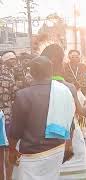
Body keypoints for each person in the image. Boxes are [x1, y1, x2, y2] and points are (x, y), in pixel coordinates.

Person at [9, 56, 76, 180]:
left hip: (31, 154)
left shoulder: (23, 95)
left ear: (31, 73)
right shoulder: (64, 91)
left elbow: (15, 130)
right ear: (51, 71)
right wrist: (69, 145)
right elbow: (70, 121)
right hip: (56, 150)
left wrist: (12, 150)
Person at [41, 44, 86, 179]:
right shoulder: (69, 86)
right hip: (70, 137)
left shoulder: (35, 86)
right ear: (59, 61)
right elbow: (81, 113)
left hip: (44, 136)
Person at [64, 50, 86, 140]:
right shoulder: (65, 66)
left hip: (80, 91)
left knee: (83, 111)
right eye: (72, 56)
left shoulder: (83, 66)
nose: (75, 58)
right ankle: (73, 131)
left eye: (77, 56)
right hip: (69, 92)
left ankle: (84, 130)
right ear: (69, 57)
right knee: (71, 111)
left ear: (79, 57)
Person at [0, 51, 18, 180]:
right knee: (9, 149)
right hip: (6, 117)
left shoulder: (10, 72)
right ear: (7, 61)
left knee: (1, 151)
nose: (15, 61)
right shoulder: (8, 75)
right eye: (12, 59)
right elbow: (15, 95)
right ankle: (9, 178)